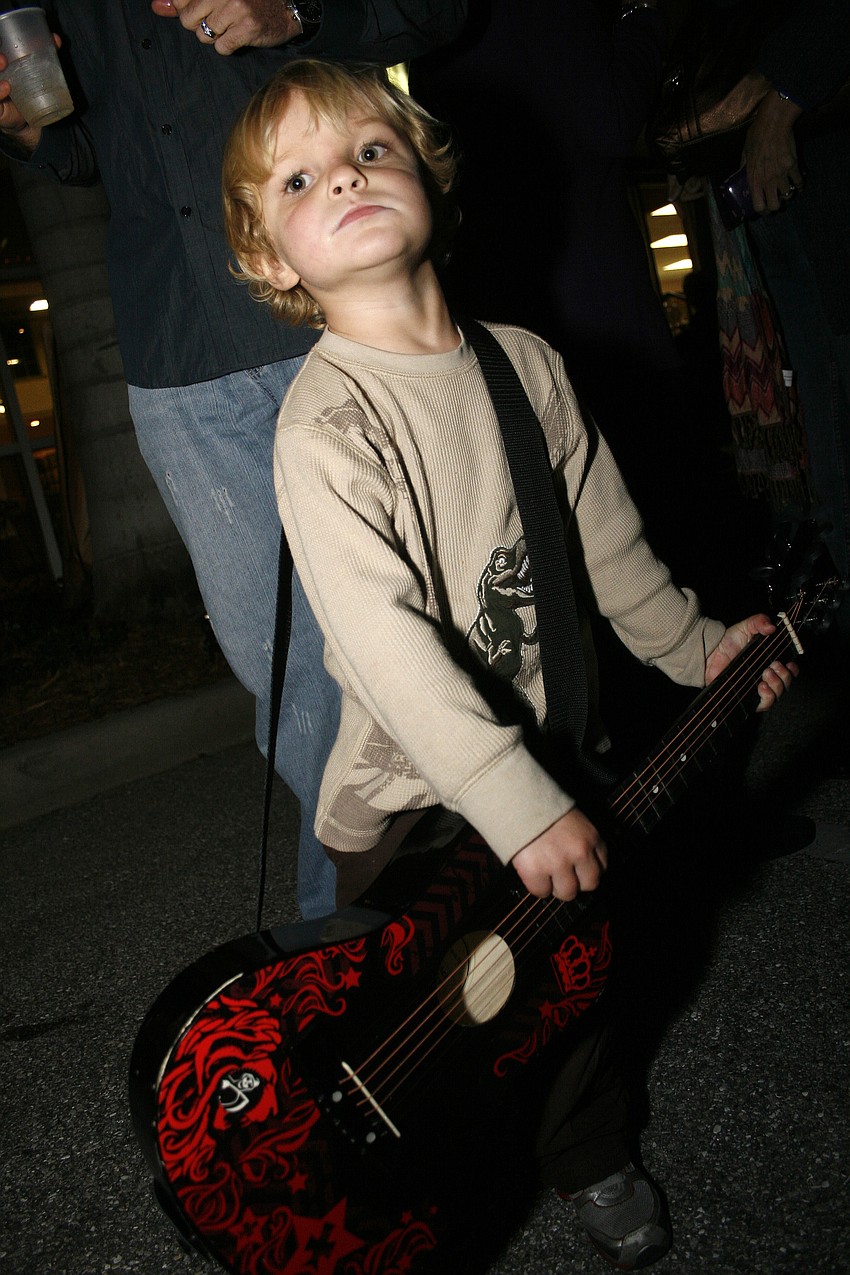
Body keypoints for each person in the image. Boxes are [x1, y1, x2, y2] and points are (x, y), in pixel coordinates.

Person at [221, 58, 796, 1269]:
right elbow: (380, 642)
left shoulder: (524, 364)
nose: (348, 179)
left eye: (373, 151)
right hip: (419, 796)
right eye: (300, 178)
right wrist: (508, 795)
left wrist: (699, 650)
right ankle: (399, 1179)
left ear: (428, 173)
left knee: (565, 992)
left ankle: (586, 1155)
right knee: (418, 1023)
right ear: (270, 257)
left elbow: (612, 550)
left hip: (551, 748)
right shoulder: (328, 425)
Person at [0, 0, 468, 920]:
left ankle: (362, 939)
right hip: (179, 361)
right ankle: (373, 937)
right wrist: (24, 128)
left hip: (340, 317)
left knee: (436, 610)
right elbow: (87, 149)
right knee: (292, 676)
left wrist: (292, 11)